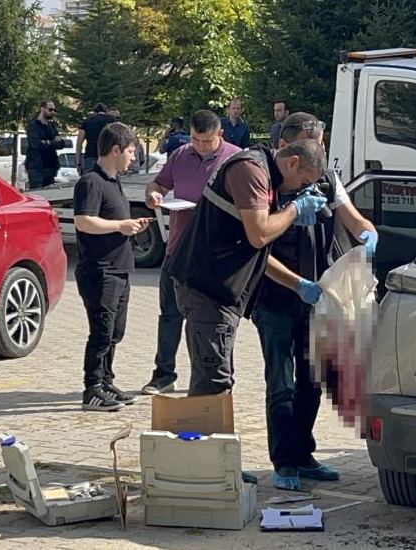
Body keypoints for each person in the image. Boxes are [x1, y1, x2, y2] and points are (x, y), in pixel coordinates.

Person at [254, 112, 378, 490]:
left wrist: (368, 236)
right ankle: (283, 461)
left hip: (316, 296)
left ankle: (303, 453)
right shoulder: (265, 179)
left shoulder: (326, 177)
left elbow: (354, 220)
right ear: (290, 143)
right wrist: (296, 284)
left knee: (311, 380)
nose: (320, 149)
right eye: (314, 141)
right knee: (281, 382)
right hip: (275, 295)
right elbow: (256, 246)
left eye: (321, 143)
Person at [169, 138, 328, 399]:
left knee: (218, 377)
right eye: (303, 183)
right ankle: (200, 436)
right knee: (213, 382)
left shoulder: (267, 176)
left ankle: (207, 436)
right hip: (208, 289)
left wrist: (297, 284)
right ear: (292, 163)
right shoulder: (251, 170)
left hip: (220, 291)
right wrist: (294, 210)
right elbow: (259, 235)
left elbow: (257, 252)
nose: (301, 191)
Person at [140, 110, 241, 395]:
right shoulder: (181, 155)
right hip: (178, 248)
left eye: (206, 141)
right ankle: (163, 374)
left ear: (219, 135)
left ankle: (219, 376)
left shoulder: (235, 159)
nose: (199, 146)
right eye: (195, 139)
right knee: (170, 314)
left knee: (216, 320)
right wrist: (154, 194)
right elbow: (159, 183)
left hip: (214, 254)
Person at [73, 122, 151, 412]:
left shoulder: (113, 180)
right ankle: (92, 388)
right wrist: (120, 225)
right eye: (130, 151)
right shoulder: (90, 182)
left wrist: (130, 226)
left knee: (115, 332)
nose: (133, 157)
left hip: (120, 268)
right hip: (100, 271)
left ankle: (106, 380)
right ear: (115, 150)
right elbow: (84, 221)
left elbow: (110, 221)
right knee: (101, 331)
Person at [25, 100, 66, 189]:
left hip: (51, 167)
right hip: (36, 167)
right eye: (50, 110)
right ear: (42, 109)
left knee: (50, 195)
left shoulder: (52, 126)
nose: (53, 112)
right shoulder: (33, 125)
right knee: (37, 195)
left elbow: (61, 144)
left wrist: (47, 142)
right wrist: (53, 142)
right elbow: (35, 144)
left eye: (54, 110)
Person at [76, 103, 117, 175]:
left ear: (94, 112)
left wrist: (78, 163)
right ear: (106, 111)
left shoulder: (87, 122)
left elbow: (79, 144)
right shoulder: (112, 121)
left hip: (90, 155)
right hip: (107, 156)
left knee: (89, 182)